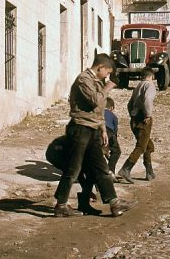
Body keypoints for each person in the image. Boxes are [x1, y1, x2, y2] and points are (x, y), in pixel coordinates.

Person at [54, 53, 137, 217]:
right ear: (100, 67)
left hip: (92, 129)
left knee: (101, 167)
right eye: (107, 72)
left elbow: (99, 110)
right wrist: (107, 88)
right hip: (80, 128)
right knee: (74, 168)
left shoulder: (96, 82)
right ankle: (61, 205)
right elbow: (95, 101)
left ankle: (114, 203)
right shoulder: (83, 80)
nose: (108, 76)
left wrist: (102, 129)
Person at [118, 66, 157, 183]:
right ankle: (126, 169)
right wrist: (148, 115)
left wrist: (132, 115)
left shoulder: (137, 86)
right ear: (152, 76)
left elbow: (129, 104)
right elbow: (147, 99)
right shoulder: (149, 85)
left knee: (148, 146)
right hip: (143, 119)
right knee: (141, 146)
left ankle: (149, 172)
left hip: (135, 119)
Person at [104, 97, 121, 181]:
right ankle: (110, 171)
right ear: (111, 108)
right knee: (116, 151)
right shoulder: (113, 116)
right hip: (108, 132)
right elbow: (115, 131)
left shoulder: (97, 112)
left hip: (95, 133)